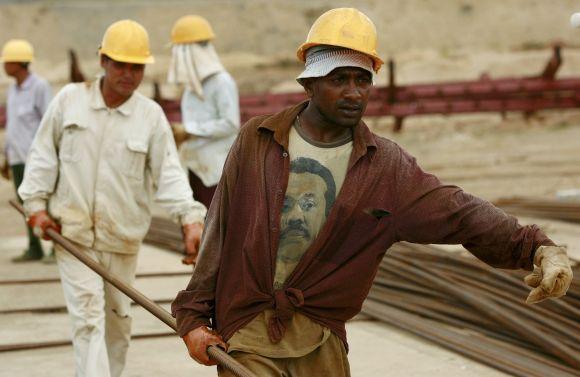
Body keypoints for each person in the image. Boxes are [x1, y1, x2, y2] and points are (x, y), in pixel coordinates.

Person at [171, 8, 573, 376]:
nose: (353, 92)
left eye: (362, 80)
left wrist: (537, 247)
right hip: (248, 335)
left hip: (320, 340)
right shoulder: (257, 141)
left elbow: (457, 211)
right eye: (339, 79)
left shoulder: (385, 167)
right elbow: (219, 230)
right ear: (309, 83)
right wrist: (192, 319)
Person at [18, 20, 206, 377]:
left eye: (136, 67)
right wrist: (36, 206)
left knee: (118, 320)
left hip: (121, 239)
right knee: (88, 319)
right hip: (72, 235)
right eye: (120, 64)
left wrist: (190, 217)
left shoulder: (149, 117)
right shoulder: (69, 101)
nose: (129, 74)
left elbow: (169, 173)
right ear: (102, 60)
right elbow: (42, 155)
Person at [167, 15, 240, 221]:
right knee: (197, 225)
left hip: (216, 174)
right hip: (195, 170)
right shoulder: (191, 88)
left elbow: (230, 123)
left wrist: (189, 130)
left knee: (217, 228)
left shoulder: (221, 82)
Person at [1, 39, 53, 263]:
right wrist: (6, 155)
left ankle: (56, 249)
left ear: (19, 63)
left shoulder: (40, 87)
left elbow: (49, 121)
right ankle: (34, 247)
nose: (4, 66)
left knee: (47, 203)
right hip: (17, 158)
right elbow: (13, 125)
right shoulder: (12, 90)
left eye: (7, 62)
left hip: (37, 159)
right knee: (25, 204)